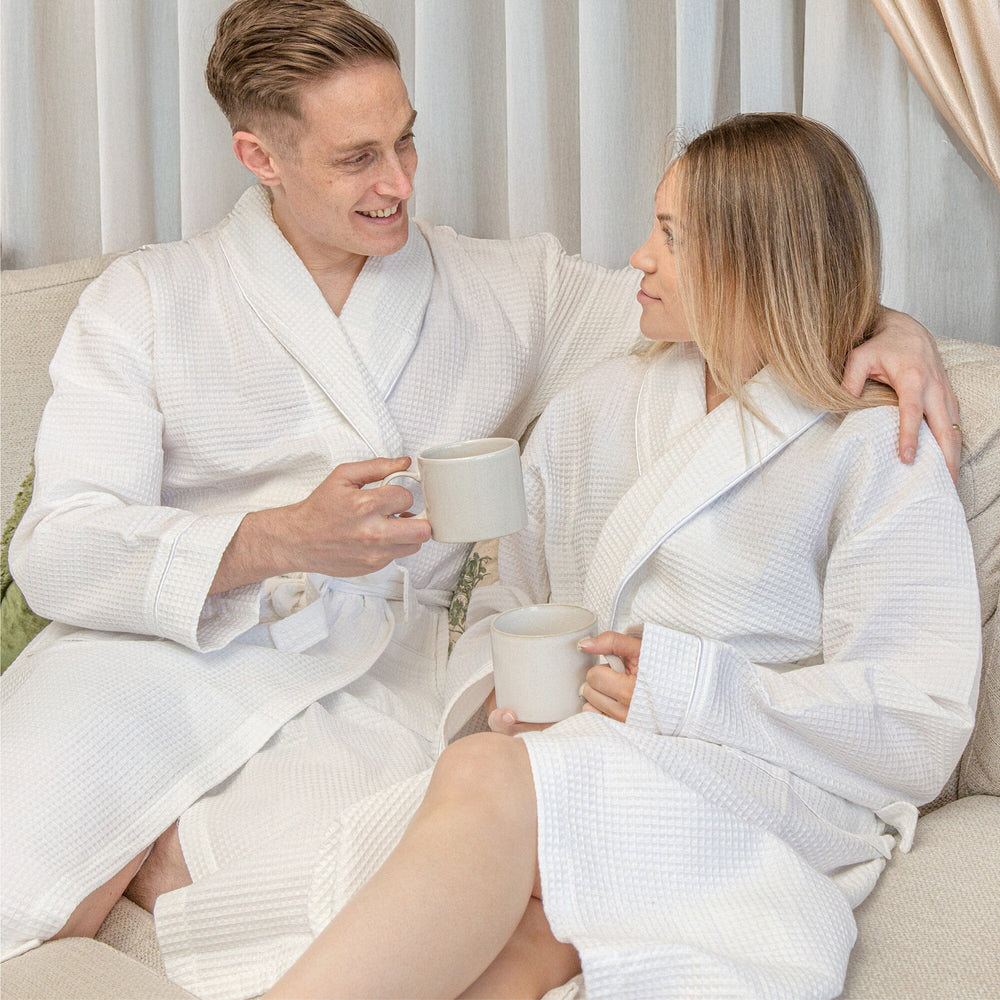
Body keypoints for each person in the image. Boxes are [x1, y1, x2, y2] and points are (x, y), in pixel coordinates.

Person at [0, 0, 961, 973]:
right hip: (172, 650)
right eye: (356, 158)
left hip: (381, 686)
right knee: (41, 858)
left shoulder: (509, 291)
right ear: (260, 157)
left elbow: (745, 294)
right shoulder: (147, 300)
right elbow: (58, 547)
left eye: (406, 140)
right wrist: (279, 538)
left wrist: (891, 329)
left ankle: (182, 878)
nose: (398, 182)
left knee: (403, 894)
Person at [260, 114, 981, 1000]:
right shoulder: (596, 405)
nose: (638, 258)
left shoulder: (872, 444)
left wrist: (690, 688)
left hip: (762, 782)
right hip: (587, 753)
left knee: (483, 780)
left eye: (670, 238)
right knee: (529, 929)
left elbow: (917, 719)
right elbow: (508, 595)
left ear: (755, 261)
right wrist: (512, 695)